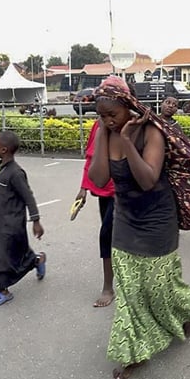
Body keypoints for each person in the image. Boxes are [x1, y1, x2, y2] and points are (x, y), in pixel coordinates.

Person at [88, 76, 190, 379]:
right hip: (125, 219)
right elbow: (98, 179)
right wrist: (103, 134)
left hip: (157, 219)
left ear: (129, 107)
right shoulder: (104, 131)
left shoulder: (152, 131)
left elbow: (148, 179)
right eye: (101, 115)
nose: (107, 120)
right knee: (129, 290)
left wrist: (126, 141)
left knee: (158, 286)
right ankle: (134, 352)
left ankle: (186, 309)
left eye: (112, 114)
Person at [0, 130, 46, 307]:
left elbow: (28, 197)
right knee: (15, 252)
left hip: (12, 223)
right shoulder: (1, 167)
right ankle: (37, 260)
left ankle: (2, 291)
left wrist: (36, 220)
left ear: (4, 149)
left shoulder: (15, 173)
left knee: (1, 256)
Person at [73, 119, 115, 307]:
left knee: (108, 234)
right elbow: (90, 157)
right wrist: (83, 188)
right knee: (108, 236)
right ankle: (109, 285)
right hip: (103, 188)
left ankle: (112, 286)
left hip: (126, 192)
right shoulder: (99, 125)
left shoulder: (135, 125)